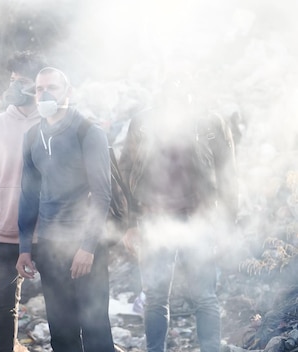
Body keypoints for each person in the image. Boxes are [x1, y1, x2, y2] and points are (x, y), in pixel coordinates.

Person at [119, 76, 238, 352]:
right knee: (156, 296)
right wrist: (129, 224)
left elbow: (228, 175)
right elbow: (126, 174)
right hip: (154, 222)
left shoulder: (211, 124)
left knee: (205, 296)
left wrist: (227, 223)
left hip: (199, 222)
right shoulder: (143, 124)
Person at [16, 67, 116, 352]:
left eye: (52, 88)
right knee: (62, 333)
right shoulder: (32, 136)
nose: (44, 94)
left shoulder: (88, 132)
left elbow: (102, 195)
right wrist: (25, 246)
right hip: (49, 246)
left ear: (68, 92)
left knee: (96, 330)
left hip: (86, 246)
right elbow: (29, 194)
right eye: (39, 89)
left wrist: (88, 247)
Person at [0, 50, 47, 352]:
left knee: (62, 307)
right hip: (6, 233)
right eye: (12, 79)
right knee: (4, 308)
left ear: (37, 87)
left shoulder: (51, 122)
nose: (14, 85)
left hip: (48, 234)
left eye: (21, 80)